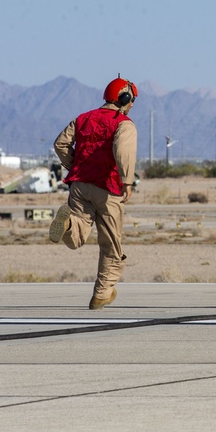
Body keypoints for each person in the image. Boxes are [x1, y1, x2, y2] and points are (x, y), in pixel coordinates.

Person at [49, 76, 138, 310]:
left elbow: (60, 144)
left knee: (78, 234)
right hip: (108, 188)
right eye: (132, 101)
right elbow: (123, 152)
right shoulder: (124, 123)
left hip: (79, 185)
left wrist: (75, 164)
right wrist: (127, 181)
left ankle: (67, 224)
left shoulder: (82, 118)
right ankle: (101, 294)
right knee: (110, 243)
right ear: (124, 98)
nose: (132, 106)